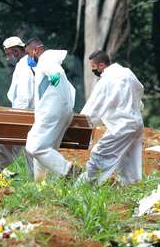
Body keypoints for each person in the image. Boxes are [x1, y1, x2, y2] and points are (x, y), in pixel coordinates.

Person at [0, 36, 35, 191]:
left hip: (23, 117)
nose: (8, 58)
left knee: (4, 151)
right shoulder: (30, 65)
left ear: (16, 51)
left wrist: (17, 119)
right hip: (29, 117)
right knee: (25, 152)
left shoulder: (24, 67)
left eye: (9, 54)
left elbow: (24, 96)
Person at [78, 50, 144, 186]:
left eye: (94, 68)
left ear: (101, 65)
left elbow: (94, 107)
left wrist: (80, 123)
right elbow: (140, 89)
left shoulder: (106, 80)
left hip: (121, 126)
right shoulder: (127, 72)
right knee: (129, 159)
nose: (93, 71)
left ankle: (84, 186)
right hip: (136, 123)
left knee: (99, 153)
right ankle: (130, 187)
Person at [24, 38, 77, 181]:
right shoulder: (48, 61)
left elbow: (56, 74)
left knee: (34, 146)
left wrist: (54, 83)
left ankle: (68, 170)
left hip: (50, 112)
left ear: (35, 50)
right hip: (60, 112)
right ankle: (41, 185)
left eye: (28, 54)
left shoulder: (45, 59)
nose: (29, 59)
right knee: (47, 149)